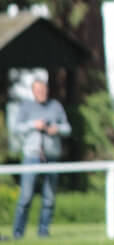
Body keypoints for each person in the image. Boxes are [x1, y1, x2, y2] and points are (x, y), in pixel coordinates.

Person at [12, 78, 71, 239]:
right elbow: (16, 128)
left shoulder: (55, 106)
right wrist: (33, 125)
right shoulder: (26, 107)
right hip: (31, 156)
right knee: (25, 196)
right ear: (33, 91)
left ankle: (43, 232)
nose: (41, 93)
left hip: (51, 155)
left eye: (43, 89)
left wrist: (56, 129)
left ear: (47, 90)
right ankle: (18, 233)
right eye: (38, 90)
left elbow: (67, 128)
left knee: (49, 197)